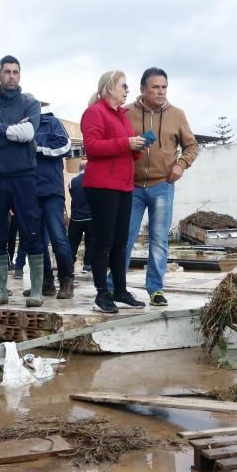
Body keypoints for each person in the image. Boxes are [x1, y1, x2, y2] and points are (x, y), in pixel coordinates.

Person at [123, 67, 199, 306]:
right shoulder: (125, 113)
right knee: (125, 237)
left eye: (164, 87)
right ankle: (115, 286)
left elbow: (192, 146)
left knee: (158, 240)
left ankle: (155, 289)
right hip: (131, 187)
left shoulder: (177, 114)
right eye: (155, 87)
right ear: (143, 89)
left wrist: (181, 165)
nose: (160, 91)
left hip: (162, 186)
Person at [0, 55, 45, 307]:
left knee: (32, 229)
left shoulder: (31, 103)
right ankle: (0, 290)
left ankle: (36, 290)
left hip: (25, 175)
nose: (12, 76)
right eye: (7, 72)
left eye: (16, 72)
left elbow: (28, 134)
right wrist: (13, 133)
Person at [80, 70, 147, 314]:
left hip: (123, 185)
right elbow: (92, 147)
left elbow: (125, 148)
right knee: (103, 241)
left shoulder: (122, 115)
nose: (127, 90)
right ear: (109, 87)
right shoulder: (94, 112)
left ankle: (120, 290)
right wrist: (126, 143)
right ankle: (102, 293)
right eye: (123, 86)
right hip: (102, 186)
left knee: (121, 242)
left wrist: (137, 146)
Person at [25, 103, 74, 299]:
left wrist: (39, 149)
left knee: (58, 237)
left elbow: (66, 146)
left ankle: (67, 281)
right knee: (35, 240)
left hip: (51, 190)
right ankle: (45, 283)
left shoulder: (52, 122)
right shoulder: (19, 128)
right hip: (28, 191)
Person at [67, 162, 93, 275]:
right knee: (90, 242)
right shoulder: (92, 180)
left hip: (76, 218)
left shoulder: (72, 182)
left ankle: (69, 264)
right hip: (90, 217)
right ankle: (87, 265)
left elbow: (72, 195)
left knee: (72, 242)